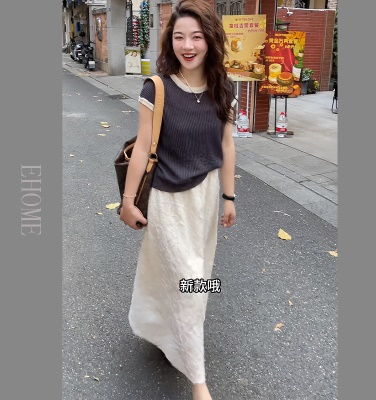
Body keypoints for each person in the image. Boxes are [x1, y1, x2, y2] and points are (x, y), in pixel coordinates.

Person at [119, 0, 237, 398]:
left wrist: (229, 196)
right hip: (167, 201)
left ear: (211, 40)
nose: (188, 46)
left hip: (205, 199)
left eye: (197, 37)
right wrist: (128, 201)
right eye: (180, 37)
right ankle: (198, 382)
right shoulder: (157, 88)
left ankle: (163, 329)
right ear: (170, 40)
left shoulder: (223, 89)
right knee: (191, 280)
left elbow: (227, 145)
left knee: (194, 278)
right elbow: (142, 148)